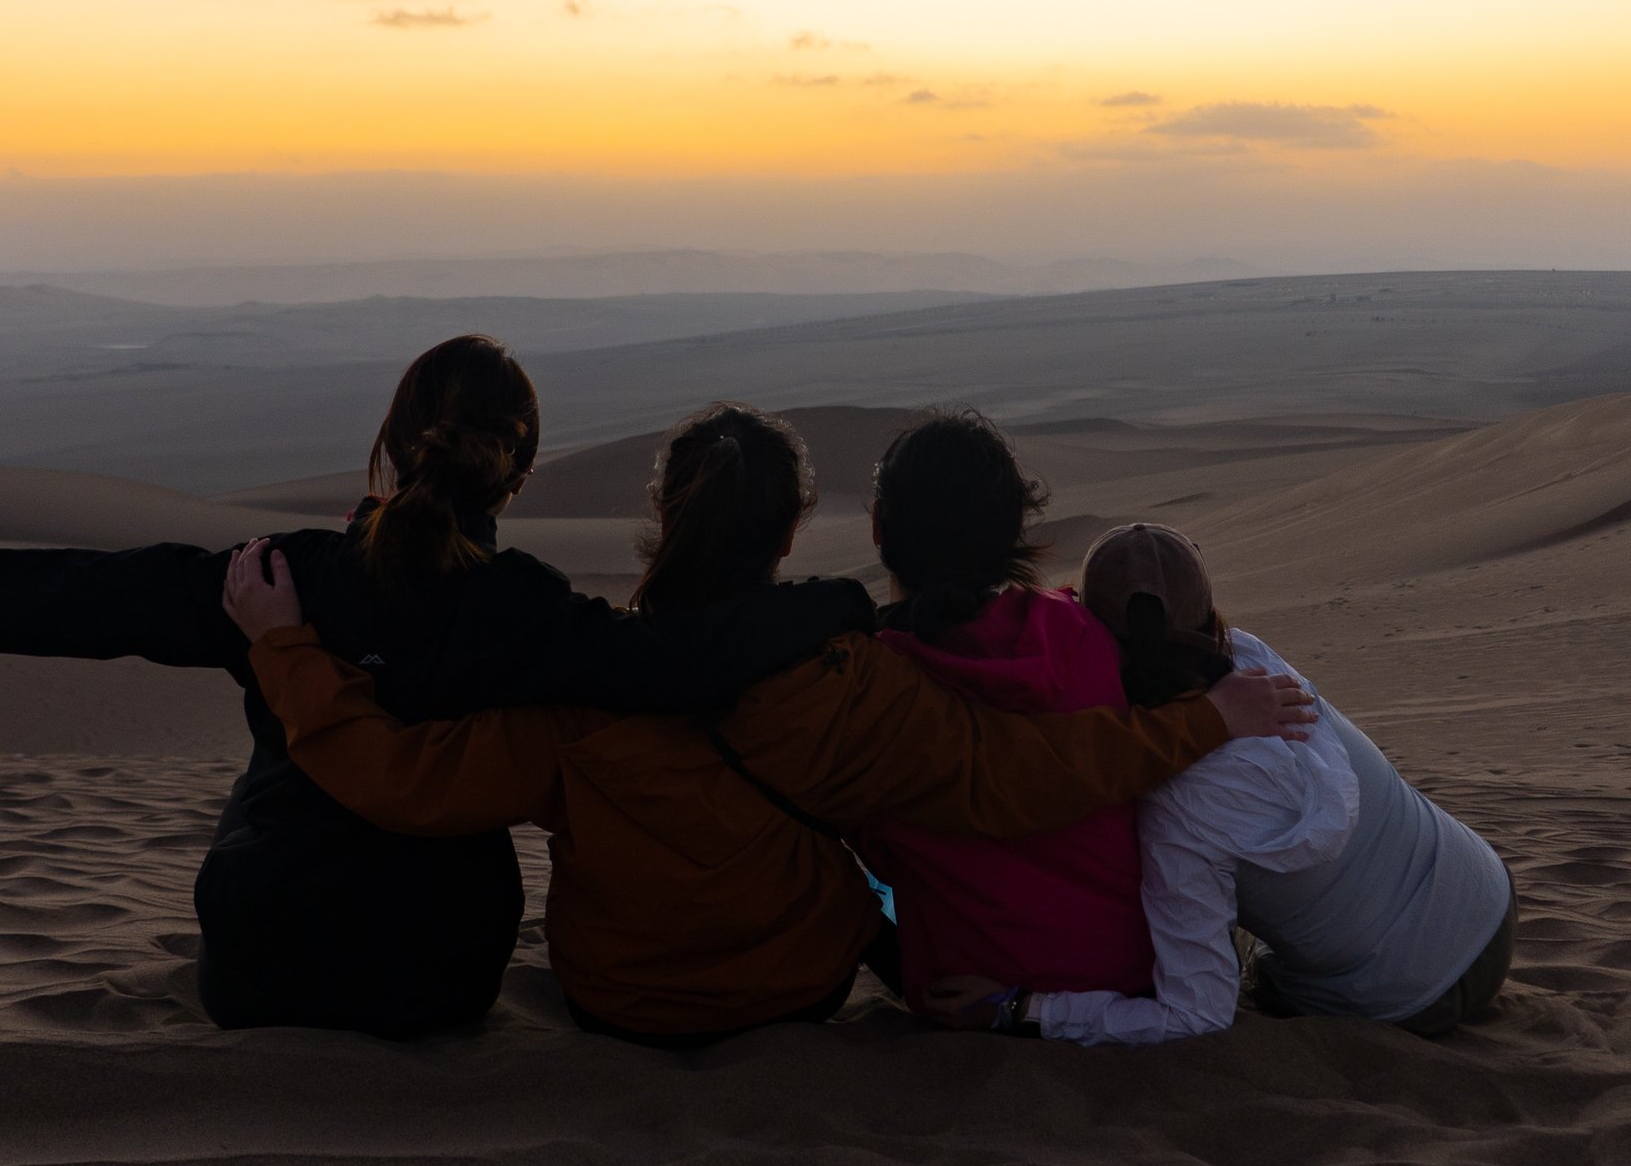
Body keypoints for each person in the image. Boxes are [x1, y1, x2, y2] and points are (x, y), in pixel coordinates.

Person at [0, 335, 875, 1039]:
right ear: (519, 470)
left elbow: (91, 599)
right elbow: (670, 660)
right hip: (435, 979)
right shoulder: (523, 607)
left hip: (262, 960)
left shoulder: (276, 578)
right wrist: (829, 603)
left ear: (390, 450)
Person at [221, 404, 1318, 1048]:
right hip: (800, 989)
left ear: (661, 519)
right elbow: (1014, 774)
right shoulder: (846, 683)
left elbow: (400, 779)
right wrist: (1203, 723)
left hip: (622, 1006)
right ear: (794, 532)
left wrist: (282, 647)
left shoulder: (572, 684)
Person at [917, 521, 1514, 1044]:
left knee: (1263, 980)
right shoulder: (1258, 665)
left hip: (1414, 994)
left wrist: (1024, 1009)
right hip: (1488, 889)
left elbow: (1194, 1017)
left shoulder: (1176, 809)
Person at [853, 411, 1158, 1020]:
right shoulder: (1077, 635)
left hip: (971, 999)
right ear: (1013, 529)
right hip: (1127, 979)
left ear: (880, 529)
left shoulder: (871, 685)